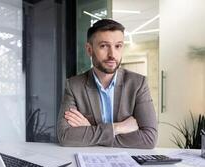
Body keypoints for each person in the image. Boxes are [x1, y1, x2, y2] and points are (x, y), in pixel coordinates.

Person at [57, 19, 157, 149]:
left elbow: (149, 138)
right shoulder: (74, 86)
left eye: (118, 46)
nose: (112, 54)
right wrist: (118, 128)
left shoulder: (138, 84)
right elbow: (65, 136)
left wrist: (90, 130)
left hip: (127, 162)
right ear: (89, 50)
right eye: (104, 46)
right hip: (88, 161)